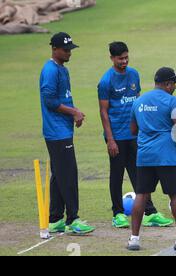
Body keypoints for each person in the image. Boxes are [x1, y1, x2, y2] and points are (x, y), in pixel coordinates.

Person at [98, 42, 173, 228]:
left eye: (126, 57)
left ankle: (149, 212)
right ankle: (118, 214)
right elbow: (103, 111)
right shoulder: (106, 81)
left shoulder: (134, 74)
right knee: (116, 174)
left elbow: (139, 103)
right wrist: (110, 139)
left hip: (134, 135)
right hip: (116, 136)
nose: (124, 61)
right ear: (112, 58)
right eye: (120, 58)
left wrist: (142, 129)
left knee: (140, 174)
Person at [127, 67, 176, 251]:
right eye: (174, 83)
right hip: (166, 156)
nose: (175, 87)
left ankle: (134, 239)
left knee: (141, 195)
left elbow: (133, 130)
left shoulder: (139, 101)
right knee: (175, 195)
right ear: (167, 84)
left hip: (144, 156)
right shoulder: (172, 101)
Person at [39, 32, 95, 234]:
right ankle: (73, 219)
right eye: (65, 49)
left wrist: (74, 115)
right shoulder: (50, 71)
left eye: (70, 48)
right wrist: (74, 112)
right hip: (56, 132)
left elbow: (63, 98)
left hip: (62, 129)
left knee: (59, 175)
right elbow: (50, 101)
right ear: (54, 49)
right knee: (68, 174)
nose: (69, 52)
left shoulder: (62, 69)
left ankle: (54, 219)